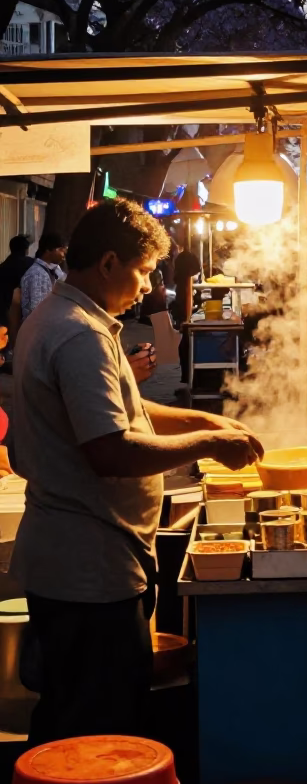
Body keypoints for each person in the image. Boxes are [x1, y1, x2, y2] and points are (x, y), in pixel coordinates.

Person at [10, 198, 263, 745]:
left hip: (79, 558)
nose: (149, 287)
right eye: (144, 271)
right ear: (107, 263)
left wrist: (201, 416)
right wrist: (210, 442)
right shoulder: (81, 335)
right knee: (96, 730)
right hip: (90, 567)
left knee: (68, 715)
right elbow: (111, 449)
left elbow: (127, 413)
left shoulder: (63, 316)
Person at [20, 233, 67, 320]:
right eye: (61, 250)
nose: (63, 255)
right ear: (48, 249)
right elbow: (38, 311)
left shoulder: (54, 269)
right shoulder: (38, 274)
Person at [0, 236, 32, 324]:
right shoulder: (30, 265)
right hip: (21, 313)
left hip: (3, 311)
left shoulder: (3, 266)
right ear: (26, 249)